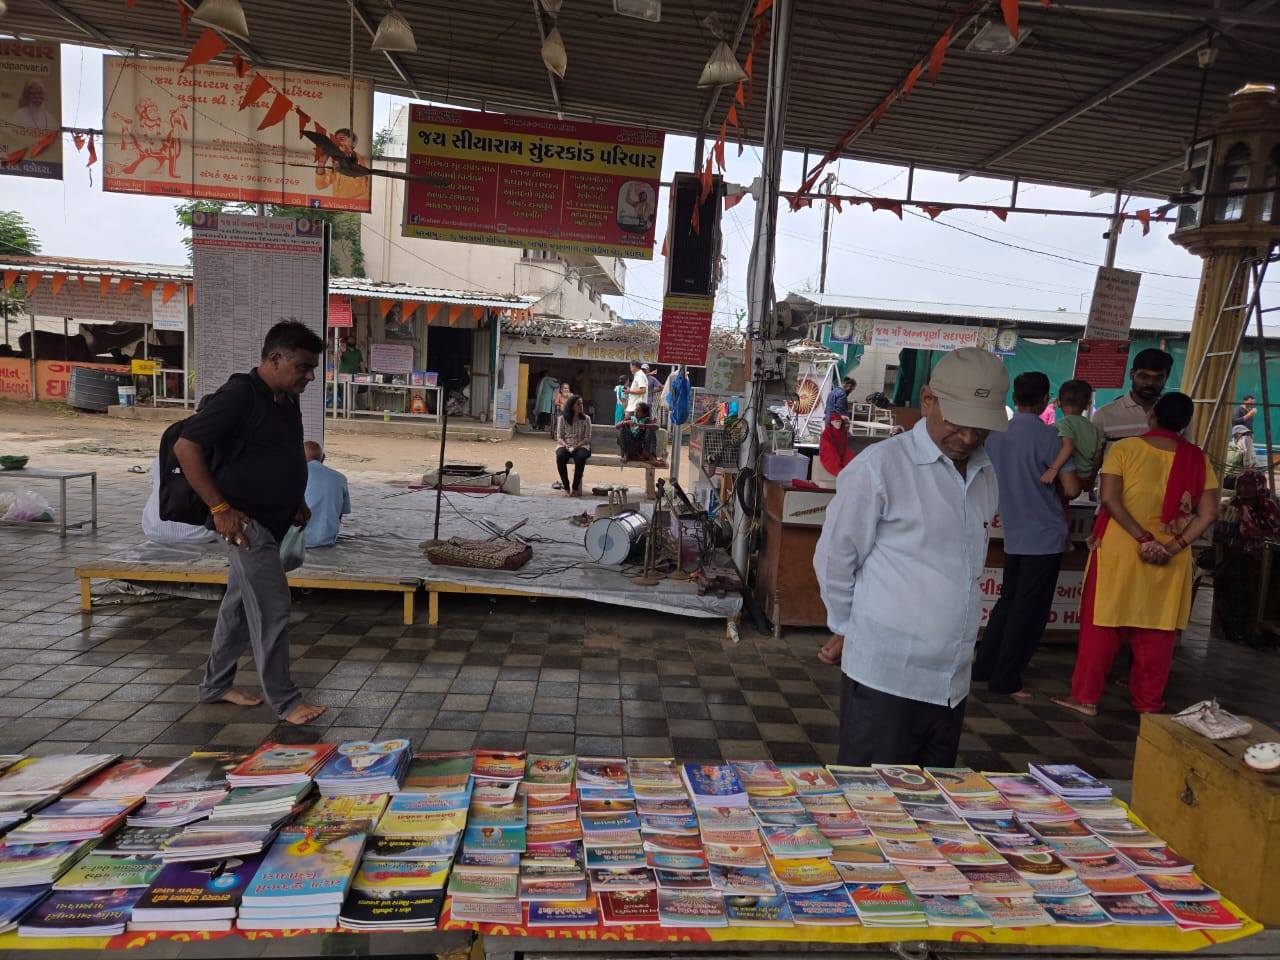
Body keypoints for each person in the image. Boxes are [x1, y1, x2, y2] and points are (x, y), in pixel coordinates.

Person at [813, 347, 1008, 765]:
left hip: (950, 682)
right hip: (887, 678)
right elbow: (835, 558)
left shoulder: (985, 473)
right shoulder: (880, 468)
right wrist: (848, 626)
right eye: (957, 423)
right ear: (928, 400)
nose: (968, 438)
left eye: (980, 429)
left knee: (931, 799)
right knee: (872, 797)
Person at [173, 320, 327, 726]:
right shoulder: (240, 395)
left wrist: (295, 498)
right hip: (244, 522)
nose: (310, 377)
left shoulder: (286, 398)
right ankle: (286, 701)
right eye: (304, 367)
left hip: (273, 519)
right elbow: (186, 447)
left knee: (239, 607)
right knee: (273, 606)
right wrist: (220, 508)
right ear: (275, 359)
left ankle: (215, 685)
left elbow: (286, 452)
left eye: (313, 368)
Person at [1053, 393, 1219, 718]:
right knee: (1157, 631)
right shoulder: (1198, 459)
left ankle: (1085, 698)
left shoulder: (1125, 449)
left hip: (1120, 551)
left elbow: (1110, 499)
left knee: (1102, 626)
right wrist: (1172, 546)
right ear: (1186, 423)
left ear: (1152, 415)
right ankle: (1149, 704)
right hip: (1170, 558)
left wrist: (1143, 538)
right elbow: (1209, 513)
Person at [973, 373, 1081, 701]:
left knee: (1008, 601)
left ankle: (984, 667)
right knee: (1029, 611)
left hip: (1013, 529)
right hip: (1044, 533)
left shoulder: (995, 436)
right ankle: (1006, 678)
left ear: (1014, 397)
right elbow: (1071, 488)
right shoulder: (1050, 437)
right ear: (1045, 398)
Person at [1092, 348, 1174, 445]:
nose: (1150, 383)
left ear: (1166, 378)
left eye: (1158, 378)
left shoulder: (1176, 414)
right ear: (1132, 374)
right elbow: (1094, 453)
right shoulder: (1104, 415)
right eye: (1144, 376)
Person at [142, 455, 217, 545]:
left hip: (154, 529)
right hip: (200, 534)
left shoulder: (161, 457)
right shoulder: (215, 456)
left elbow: (153, 485)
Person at [1042, 379, 1103, 489]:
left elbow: (1068, 445)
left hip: (1069, 478)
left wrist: (1053, 469)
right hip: (1086, 477)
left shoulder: (1062, 425)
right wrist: (1092, 477)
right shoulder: (1093, 427)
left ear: (1059, 403)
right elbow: (1098, 456)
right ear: (1088, 404)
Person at [303, 441, 351, 548]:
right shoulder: (341, 478)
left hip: (299, 543)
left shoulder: (293, 475)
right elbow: (342, 513)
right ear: (323, 457)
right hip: (328, 541)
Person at [314, 128, 371, 202]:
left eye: (342, 139)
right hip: (338, 205)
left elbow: (357, 183)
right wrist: (321, 163)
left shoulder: (359, 160)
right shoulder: (336, 161)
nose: (337, 143)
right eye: (335, 141)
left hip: (357, 205)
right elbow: (320, 185)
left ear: (352, 143)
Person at [554, 394, 592, 497]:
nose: (581, 406)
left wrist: (576, 446)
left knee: (580, 457)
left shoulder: (586, 419)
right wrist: (565, 445)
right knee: (560, 456)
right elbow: (559, 437)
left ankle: (575, 488)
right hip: (566, 445)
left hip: (582, 446)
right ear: (571, 406)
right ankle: (566, 487)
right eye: (578, 404)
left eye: (582, 404)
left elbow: (587, 438)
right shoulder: (562, 418)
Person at [1223, 424, 1260, 490]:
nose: (1247, 437)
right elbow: (1247, 464)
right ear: (1236, 435)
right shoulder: (1231, 449)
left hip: (1240, 479)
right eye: (1244, 434)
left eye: (1248, 434)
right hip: (1230, 479)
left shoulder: (1248, 448)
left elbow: (1254, 465)